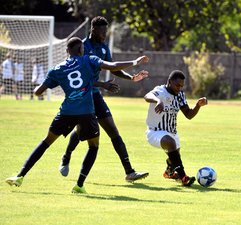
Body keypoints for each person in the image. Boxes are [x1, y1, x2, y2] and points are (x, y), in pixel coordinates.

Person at [5, 37, 149, 193]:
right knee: (93, 146)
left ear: (67, 51)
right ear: (81, 50)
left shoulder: (57, 69)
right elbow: (112, 66)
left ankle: (20, 176)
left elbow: (38, 91)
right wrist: (135, 62)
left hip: (66, 112)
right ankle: (79, 185)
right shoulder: (89, 60)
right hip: (86, 112)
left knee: (46, 142)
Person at [59, 16, 149, 182]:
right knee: (80, 132)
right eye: (102, 31)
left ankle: (130, 172)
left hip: (96, 96)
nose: (105, 34)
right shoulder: (82, 47)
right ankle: (66, 156)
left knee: (113, 131)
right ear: (93, 30)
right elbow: (79, 76)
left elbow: (113, 68)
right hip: (82, 97)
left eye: (106, 31)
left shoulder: (104, 48)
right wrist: (103, 84)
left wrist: (131, 78)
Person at [144, 70, 208, 186]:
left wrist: (198, 106)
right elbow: (147, 96)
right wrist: (158, 100)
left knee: (174, 156)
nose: (179, 88)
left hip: (172, 133)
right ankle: (183, 177)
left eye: (181, 86)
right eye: (177, 85)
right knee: (170, 143)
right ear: (169, 82)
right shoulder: (160, 91)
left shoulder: (180, 95)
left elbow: (188, 115)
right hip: (154, 132)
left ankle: (169, 172)